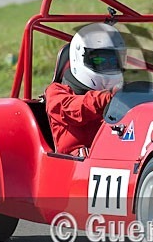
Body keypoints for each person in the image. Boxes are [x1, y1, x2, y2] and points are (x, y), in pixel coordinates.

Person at [46, 23, 126, 156]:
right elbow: (73, 110)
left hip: (113, 158)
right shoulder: (56, 92)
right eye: (100, 61)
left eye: (114, 61)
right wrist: (107, 97)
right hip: (74, 167)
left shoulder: (119, 93)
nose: (108, 65)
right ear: (80, 58)